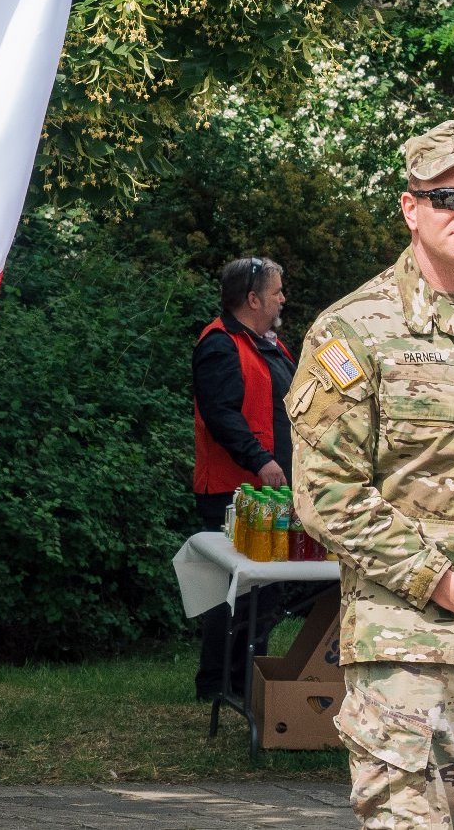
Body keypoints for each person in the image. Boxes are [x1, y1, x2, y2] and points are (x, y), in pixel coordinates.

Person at [289, 119, 454, 828]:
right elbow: (326, 493)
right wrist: (448, 582)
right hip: (414, 654)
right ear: (411, 208)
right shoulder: (356, 330)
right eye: (446, 197)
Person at [190, 255, 294, 700]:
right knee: (231, 593)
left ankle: (245, 682)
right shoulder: (219, 345)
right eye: (276, 291)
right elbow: (220, 416)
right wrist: (261, 460)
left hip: (268, 489)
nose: (282, 298)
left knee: (263, 592)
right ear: (252, 299)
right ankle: (217, 686)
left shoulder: (269, 344)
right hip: (235, 490)